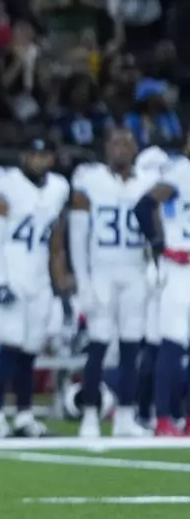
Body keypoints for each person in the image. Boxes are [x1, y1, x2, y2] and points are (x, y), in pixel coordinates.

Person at [0, 138, 71, 439]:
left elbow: (56, 237)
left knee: (31, 349)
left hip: (39, 278)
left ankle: (24, 415)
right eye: (33, 154)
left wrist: (60, 280)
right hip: (11, 273)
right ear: (24, 156)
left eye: (44, 154)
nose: (38, 160)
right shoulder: (5, 184)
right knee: (9, 345)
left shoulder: (59, 187)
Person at [67, 129, 153, 438]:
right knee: (99, 345)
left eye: (127, 143)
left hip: (134, 271)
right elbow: (77, 236)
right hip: (101, 271)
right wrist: (83, 281)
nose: (120, 149)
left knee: (132, 347)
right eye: (115, 143)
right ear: (106, 148)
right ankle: (90, 415)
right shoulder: (89, 180)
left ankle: (125, 416)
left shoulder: (147, 182)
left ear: (135, 148)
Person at [134, 144, 190, 436]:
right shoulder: (180, 170)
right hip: (179, 265)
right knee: (172, 342)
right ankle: (164, 417)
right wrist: (158, 242)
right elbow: (144, 205)